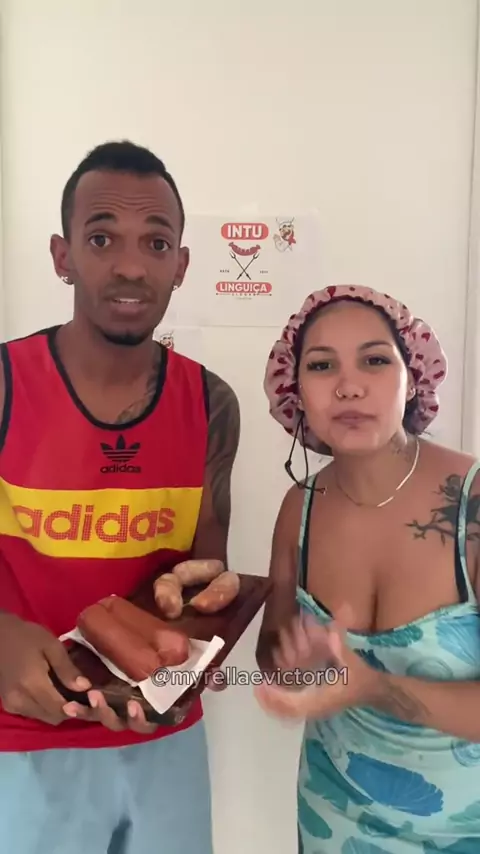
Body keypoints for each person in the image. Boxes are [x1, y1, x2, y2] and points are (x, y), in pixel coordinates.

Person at [0, 140, 240, 853]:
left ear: (180, 264)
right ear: (63, 255)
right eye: (102, 238)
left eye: (155, 243)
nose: (131, 266)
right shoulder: (6, 384)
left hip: (163, 733)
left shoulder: (211, 403)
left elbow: (205, 580)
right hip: (24, 737)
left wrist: (193, 655)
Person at [255, 284, 480, 853]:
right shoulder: (300, 508)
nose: (348, 385)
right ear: (295, 389)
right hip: (333, 821)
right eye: (321, 365)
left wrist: (373, 686)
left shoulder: (472, 504)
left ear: (413, 379)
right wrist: (300, 670)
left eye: (375, 361)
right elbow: (276, 657)